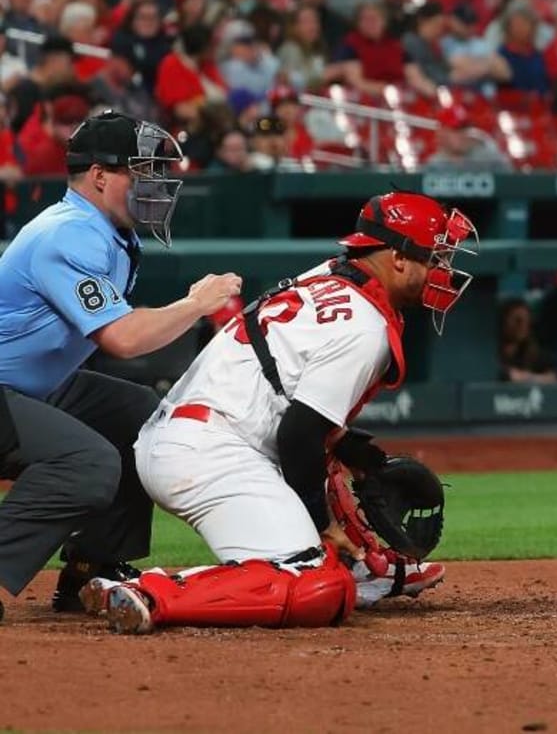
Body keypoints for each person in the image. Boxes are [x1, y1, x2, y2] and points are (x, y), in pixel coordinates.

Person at [86, 192, 471, 634]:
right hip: (210, 454)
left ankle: (366, 572)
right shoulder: (365, 327)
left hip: (191, 433)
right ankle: (153, 592)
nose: (444, 271)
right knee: (315, 586)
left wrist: (353, 452)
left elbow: (298, 411)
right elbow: (298, 437)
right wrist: (326, 526)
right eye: (436, 257)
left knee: (327, 455)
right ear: (399, 259)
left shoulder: (330, 274)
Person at [0, 111, 242, 621]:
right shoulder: (67, 234)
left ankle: (93, 569)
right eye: (141, 170)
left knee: (139, 417)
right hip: (7, 389)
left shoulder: (106, 231)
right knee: (89, 464)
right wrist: (198, 303)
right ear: (100, 176)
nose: (154, 182)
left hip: (32, 387)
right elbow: (124, 339)